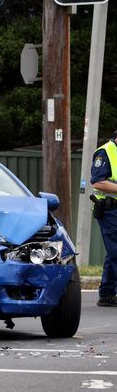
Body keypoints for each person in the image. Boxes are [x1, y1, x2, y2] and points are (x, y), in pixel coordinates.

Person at [91, 130, 117, 307]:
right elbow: (98, 182)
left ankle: (107, 294)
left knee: (114, 252)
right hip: (110, 211)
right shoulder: (105, 152)